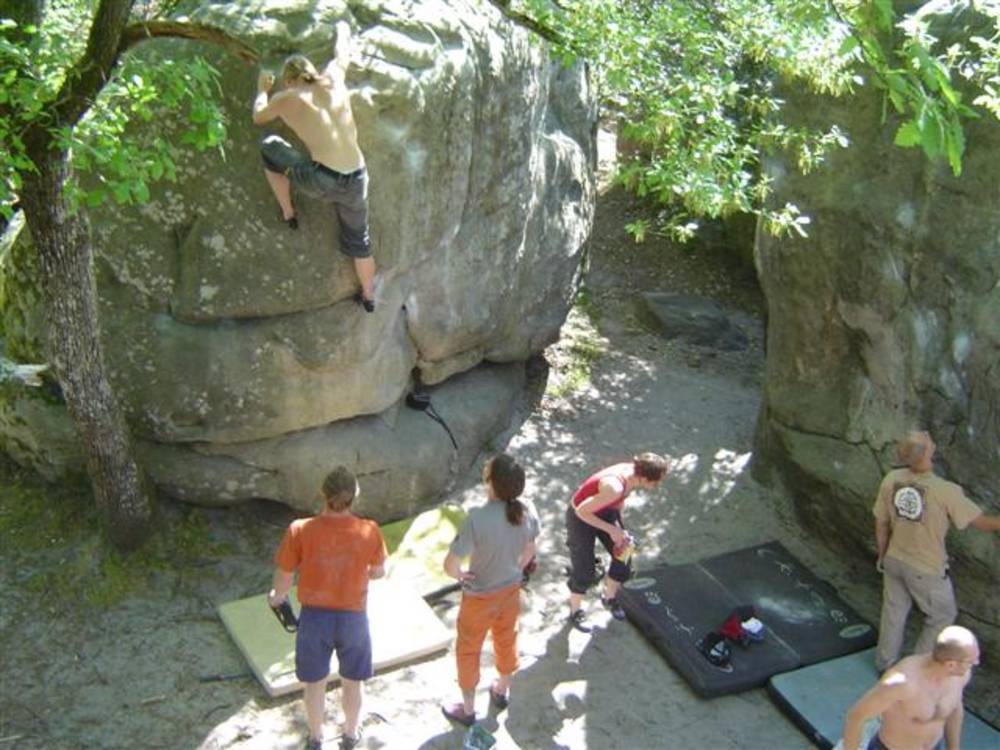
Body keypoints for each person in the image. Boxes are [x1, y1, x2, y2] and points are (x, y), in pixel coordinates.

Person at [252, 20, 377, 312]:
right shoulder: (333, 77)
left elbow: (258, 117)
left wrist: (261, 90)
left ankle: (288, 212)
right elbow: (342, 52)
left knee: (269, 147)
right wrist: (343, 27)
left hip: (322, 180)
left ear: (288, 80)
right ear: (311, 71)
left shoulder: (287, 98)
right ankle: (369, 297)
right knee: (360, 241)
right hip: (358, 179)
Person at [268, 466, 387, 750]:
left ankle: (316, 737)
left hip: (314, 619)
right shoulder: (370, 530)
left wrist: (277, 597)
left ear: (323, 493)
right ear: (355, 496)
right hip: (353, 619)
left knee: (314, 684)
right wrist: (367, 571)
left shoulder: (300, 530)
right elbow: (379, 571)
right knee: (353, 682)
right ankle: (350, 734)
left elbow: (284, 576)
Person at [873, 430, 1000, 671]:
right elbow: (981, 522)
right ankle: (915, 672)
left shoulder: (891, 479)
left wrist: (882, 554)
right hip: (926, 567)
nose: (928, 434)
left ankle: (884, 664)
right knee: (942, 616)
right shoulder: (945, 491)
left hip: (894, 558)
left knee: (893, 612)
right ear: (927, 453)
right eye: (926, 438)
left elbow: (881, 522)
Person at [440, 454, 540, 727]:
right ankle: (501, 689)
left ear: (490, 483)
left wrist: (460, 575)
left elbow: (450, 565)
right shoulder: (528, 510)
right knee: (507, 638)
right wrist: (516, 569)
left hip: (479, 596)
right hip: (510, 590)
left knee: (468, 649)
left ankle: (468, 709)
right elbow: (530, 550)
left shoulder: (477, 519)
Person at [566, 452, 669, 630]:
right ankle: (575, 611)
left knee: (625, 552)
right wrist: (611, 530)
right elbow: (581, 512)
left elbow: (619, 502)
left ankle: (609, 597)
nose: (657, 485)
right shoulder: (614, 487)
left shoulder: (632, 475)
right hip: (581, 517)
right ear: (644, 478)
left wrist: (620, 528)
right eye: (655, 482)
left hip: (605, 510)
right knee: (584, 570)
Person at [842, 625, 981, 750]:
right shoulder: (901, 683)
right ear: (951, 664)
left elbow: (955, 710)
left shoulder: (960, 676)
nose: (976, 663)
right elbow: (856, 716)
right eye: (971, 661)